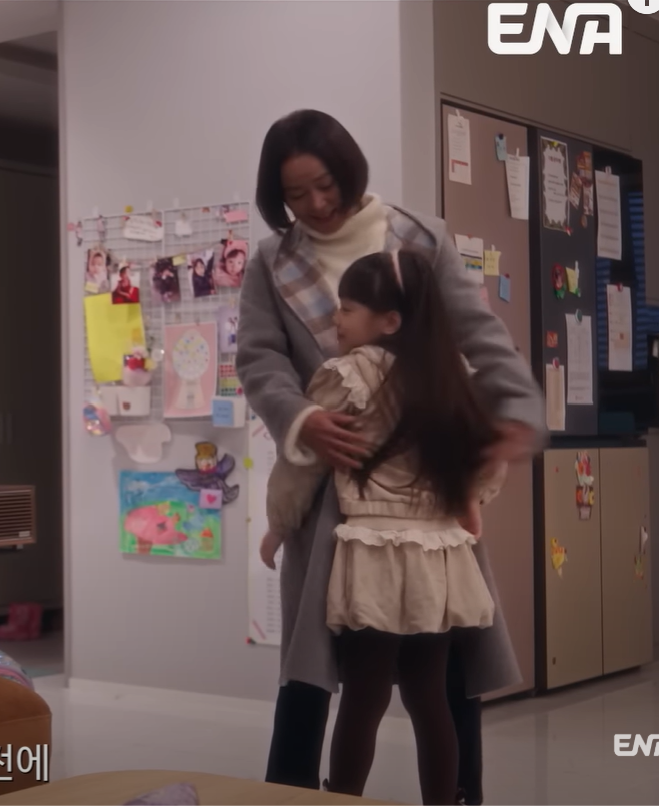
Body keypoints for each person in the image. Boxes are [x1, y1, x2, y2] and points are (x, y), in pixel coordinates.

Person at [236, 109, 545, 805]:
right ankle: (292, 794)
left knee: (444, 671)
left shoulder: (419, 237)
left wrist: (515, 416)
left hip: (427, 497)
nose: (316, 205)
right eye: (295, 195)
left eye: (325, 185)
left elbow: (479, 334)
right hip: (327, 490)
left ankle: (458, 794)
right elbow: (259, 359)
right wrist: (302, 418)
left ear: (348, 170)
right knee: (312, 670)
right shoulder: (270, 260)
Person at [260, 249, 508, 804]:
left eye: (348, 308)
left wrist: (279, 524)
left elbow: (303, 461)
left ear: (389, 320)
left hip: (372, 550)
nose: (336, 319)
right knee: (429, 697)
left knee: (364, 696)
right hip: (438, 554)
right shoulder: (454, 377)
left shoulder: (346, 377)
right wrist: (470, 499)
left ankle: (344, 795)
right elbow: (490, 456)